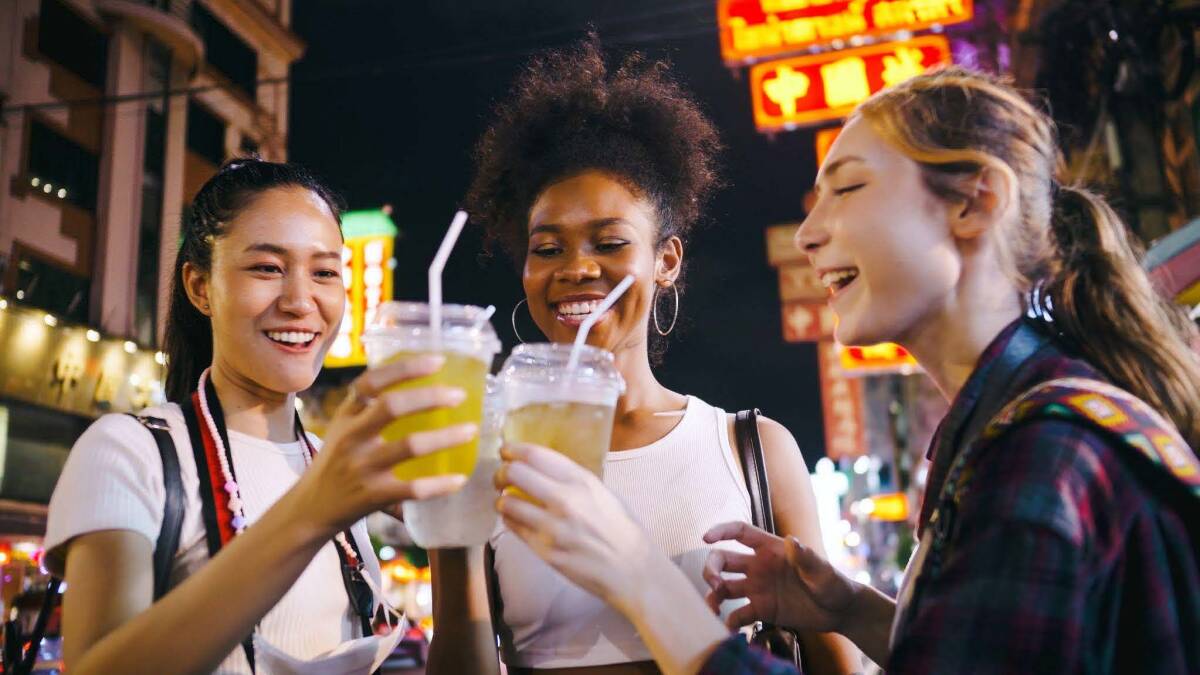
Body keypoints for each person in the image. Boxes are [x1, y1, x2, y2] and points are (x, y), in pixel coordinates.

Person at [492, 66, 1200, 674]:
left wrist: (642, 579)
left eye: (848, 189)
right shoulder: (1005, 436)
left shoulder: (1043, 457)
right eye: (546, 247)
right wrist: (853, 610)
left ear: (975, 202)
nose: (808, 233)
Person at [428, 38, 859, 675]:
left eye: (608, 243)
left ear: (666, 261)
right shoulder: (483, 454)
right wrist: (454, 535)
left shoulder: (753, 449)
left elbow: (836, 665)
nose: (576, 269)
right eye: (547, 249)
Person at [43, 159, 472, 674]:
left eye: (325, 273)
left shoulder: (329, 463)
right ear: (200, 287)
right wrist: (314, 509)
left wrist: (456, 530)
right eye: (267, 268)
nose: (299, 301)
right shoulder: (128, 452)